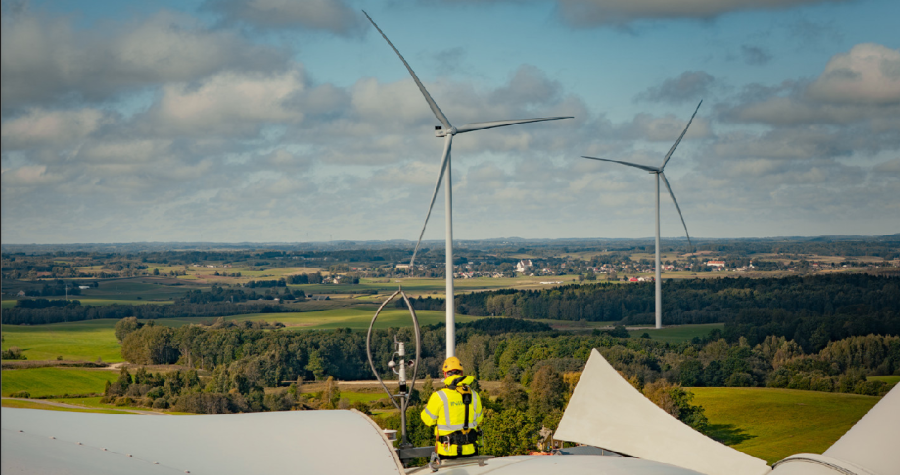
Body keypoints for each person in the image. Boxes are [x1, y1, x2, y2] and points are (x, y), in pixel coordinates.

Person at [420, 356, 484, 458]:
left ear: (445, 374)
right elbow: (479, 419)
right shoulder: (474, 395)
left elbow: (427, 420)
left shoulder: (439, 396)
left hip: (447, 451)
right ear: (462, 373)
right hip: (471, 450)